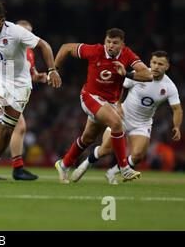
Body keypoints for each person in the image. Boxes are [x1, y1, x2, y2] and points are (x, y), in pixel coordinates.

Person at [0, 1, 62, 182]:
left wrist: (52, 70)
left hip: (19, 84)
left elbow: (44, 45)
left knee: (7, 130)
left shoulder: (16, 32)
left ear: (3, 21)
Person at [53, 28, 153, 184]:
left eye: (115, 43)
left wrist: (126, 73)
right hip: (89, 96)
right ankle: (124, 168)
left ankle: (64, 164)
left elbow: (148, 75)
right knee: (116, 123)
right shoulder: (95, 51)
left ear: (122, 44)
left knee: (88, 138)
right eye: (108, 42)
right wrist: (54, 70)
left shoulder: (127, 55)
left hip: (109, 103)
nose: (110, 46)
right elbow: (66, 47)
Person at [70, 50, 182, 184]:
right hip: (122, 117)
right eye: (154, 62)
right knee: (106, 149)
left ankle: (112, 172)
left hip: (142, 123)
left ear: (167, 66)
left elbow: (177, 109)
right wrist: (117, 105)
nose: (156, 66)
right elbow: (119, 86)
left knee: (138, 156)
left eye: (160, 64)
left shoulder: (170, 87)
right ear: (150, 62)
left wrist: (176, 127)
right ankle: (86, 163)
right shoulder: (139, 75)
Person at [0, 20, 47, 181]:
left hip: (14, 94)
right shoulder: (9, 48)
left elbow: (31, 72)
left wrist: (38, 76)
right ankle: (16, 168)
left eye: (29, 32)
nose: (26, 35)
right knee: (18, 126)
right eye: (23, 31)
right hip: (3, 91)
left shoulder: (28, 51)